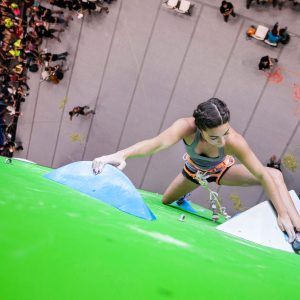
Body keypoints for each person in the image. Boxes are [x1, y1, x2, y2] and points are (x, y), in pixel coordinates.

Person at [92, 98, 300, 243]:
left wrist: (282, 214)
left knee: (274, 175)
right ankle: (188, 190)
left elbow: (261, 174)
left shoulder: (234, 142)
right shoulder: (185, 127)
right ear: (200, 129)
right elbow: (156, 144)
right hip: (194, 172)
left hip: (222, 170)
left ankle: (296, 226)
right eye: (215, 137)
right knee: (166, 200)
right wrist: (122, 154)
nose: (222, 141)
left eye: (225, 133)